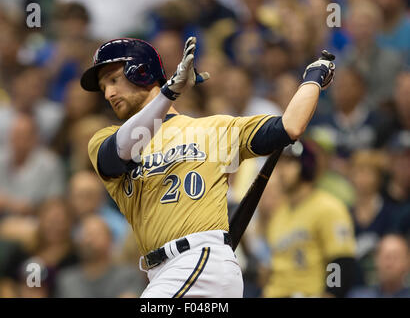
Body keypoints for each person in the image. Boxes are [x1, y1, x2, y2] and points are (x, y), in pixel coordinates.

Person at [82, 37, 335, 297]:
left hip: (200, 262)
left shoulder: (212, 129)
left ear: (142, 72)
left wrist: (313, 78)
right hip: (162, 272)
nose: (108, 93)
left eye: (113, 80)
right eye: (103, 87)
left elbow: (289, 127)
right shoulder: (103, 140)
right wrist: (169, 94)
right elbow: (121, 151)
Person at [262, 140, 356, 298]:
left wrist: (331, 293)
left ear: (306, 165)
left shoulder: (328, 207)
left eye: (290, 163)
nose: (282, 171)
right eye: (280, 164)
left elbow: (341, 261)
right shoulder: (278, 214)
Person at [55, 215, 146, 298]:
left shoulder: (128, 275)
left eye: (95, 235)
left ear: (110, 240)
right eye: (85, 234)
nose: (88, 240)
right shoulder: (66, 280)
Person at [348, 234, 410, 298]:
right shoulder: (358, 295)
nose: (390, 264)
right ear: (376, 260)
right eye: (386, 257)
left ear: (407, 262)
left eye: (395, 257)